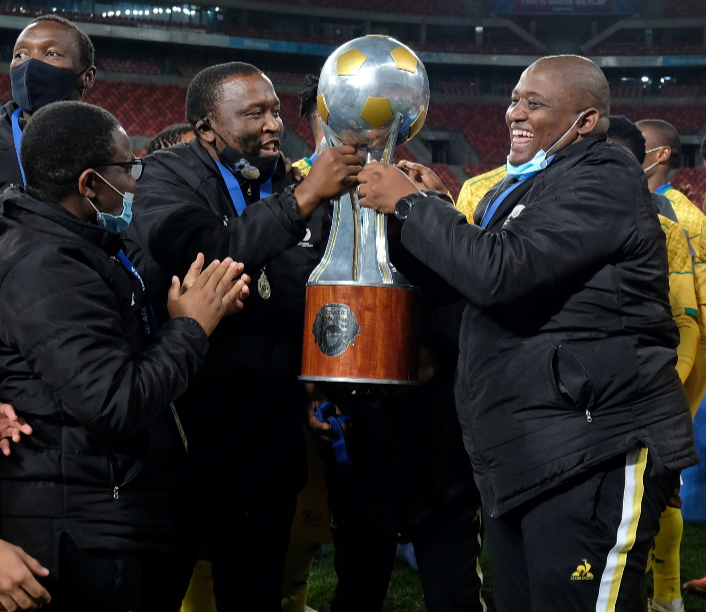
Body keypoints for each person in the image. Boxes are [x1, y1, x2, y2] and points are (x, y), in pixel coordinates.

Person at [356, 55, 697, 612]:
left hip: (593, 449)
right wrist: (437, 211)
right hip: (527, 458)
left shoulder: (605, 175)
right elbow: (483, 285)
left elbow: (502, 275)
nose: (514, 112)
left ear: (585, 122)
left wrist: (414, 206)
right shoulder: (525, 188)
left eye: (534, 103)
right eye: (515, 98)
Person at [124, 61, 361, 611]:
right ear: (208, 128)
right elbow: (199, 248)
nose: (274, 124)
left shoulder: (283, 181)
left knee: (253, 590)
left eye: (276, 110)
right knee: (157, 588)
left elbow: (301, 284)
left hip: (269, 431)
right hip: (188, 427)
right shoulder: (167, 172)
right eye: (255, 113)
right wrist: (300, 204)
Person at [0, 100, 248, 611]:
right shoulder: (51, 264)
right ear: (90, 184)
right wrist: (190, 327)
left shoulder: (73, 247)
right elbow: (114, 403)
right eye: (128, 167)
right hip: (78, 533)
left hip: (94, 512)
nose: (137, 181)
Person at [607, 115, 698, 612]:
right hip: (625, 389)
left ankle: (663, 597)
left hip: (656, 390)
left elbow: (690, 321)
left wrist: (676, 390)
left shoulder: (680, 223)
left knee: (655, 501)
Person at [1, 15, 96, 194]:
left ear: (88, 77)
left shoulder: (107, 145)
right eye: (20, 55)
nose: (30, 64)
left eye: (51, 53)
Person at [638, 119, 706, 252]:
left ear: (663, 154)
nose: (629, 153)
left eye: (637, 146)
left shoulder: (686, 218)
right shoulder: (624, 201)